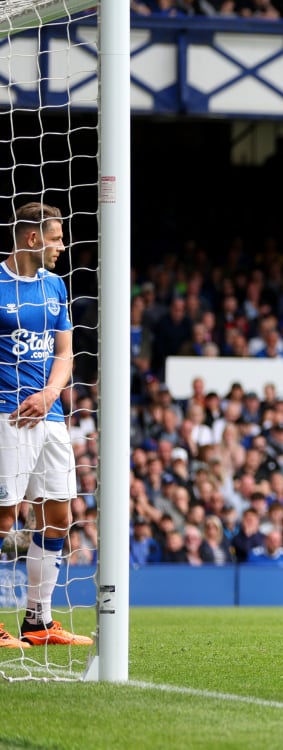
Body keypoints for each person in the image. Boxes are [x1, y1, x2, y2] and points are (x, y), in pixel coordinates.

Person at [0, 203, 92, 649]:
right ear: (33, 238)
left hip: (50, 414)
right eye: (56, 238)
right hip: (8, 414)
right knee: (4, 517)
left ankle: (38, 620)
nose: (63, 246)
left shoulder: (55, 285)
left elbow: (64, 352)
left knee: (59, 515)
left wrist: (51, 394)